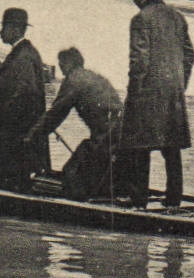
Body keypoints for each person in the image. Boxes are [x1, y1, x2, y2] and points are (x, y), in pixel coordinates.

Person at [117, 0, 194, 209]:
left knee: (139, 146)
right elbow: (190, 55)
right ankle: (174, 199)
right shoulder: (177, 16)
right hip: (173, 93)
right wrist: (179, 84)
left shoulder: (141, 19)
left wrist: (134, 92)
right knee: (171, 148)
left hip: (148, 93)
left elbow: (139, 61)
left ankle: (137, 199)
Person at [25, 48, 123, 201]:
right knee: (88, 169)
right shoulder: (94, 76)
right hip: (118, 134)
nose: (61, 68)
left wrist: (32, 136)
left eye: (62, 63)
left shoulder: (73, 79)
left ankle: (77, 203)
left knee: (71, 173)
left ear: (70, 63)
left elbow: (56, 113)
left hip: (106, 138)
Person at [0, 7, 47, 189]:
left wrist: (5, 121)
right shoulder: (24, 53)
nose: (0, 32)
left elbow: (25, 92)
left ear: (15, 29)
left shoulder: (22, 56)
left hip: (13, 131)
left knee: (9, 174)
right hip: (16, 130)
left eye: (3, 27)